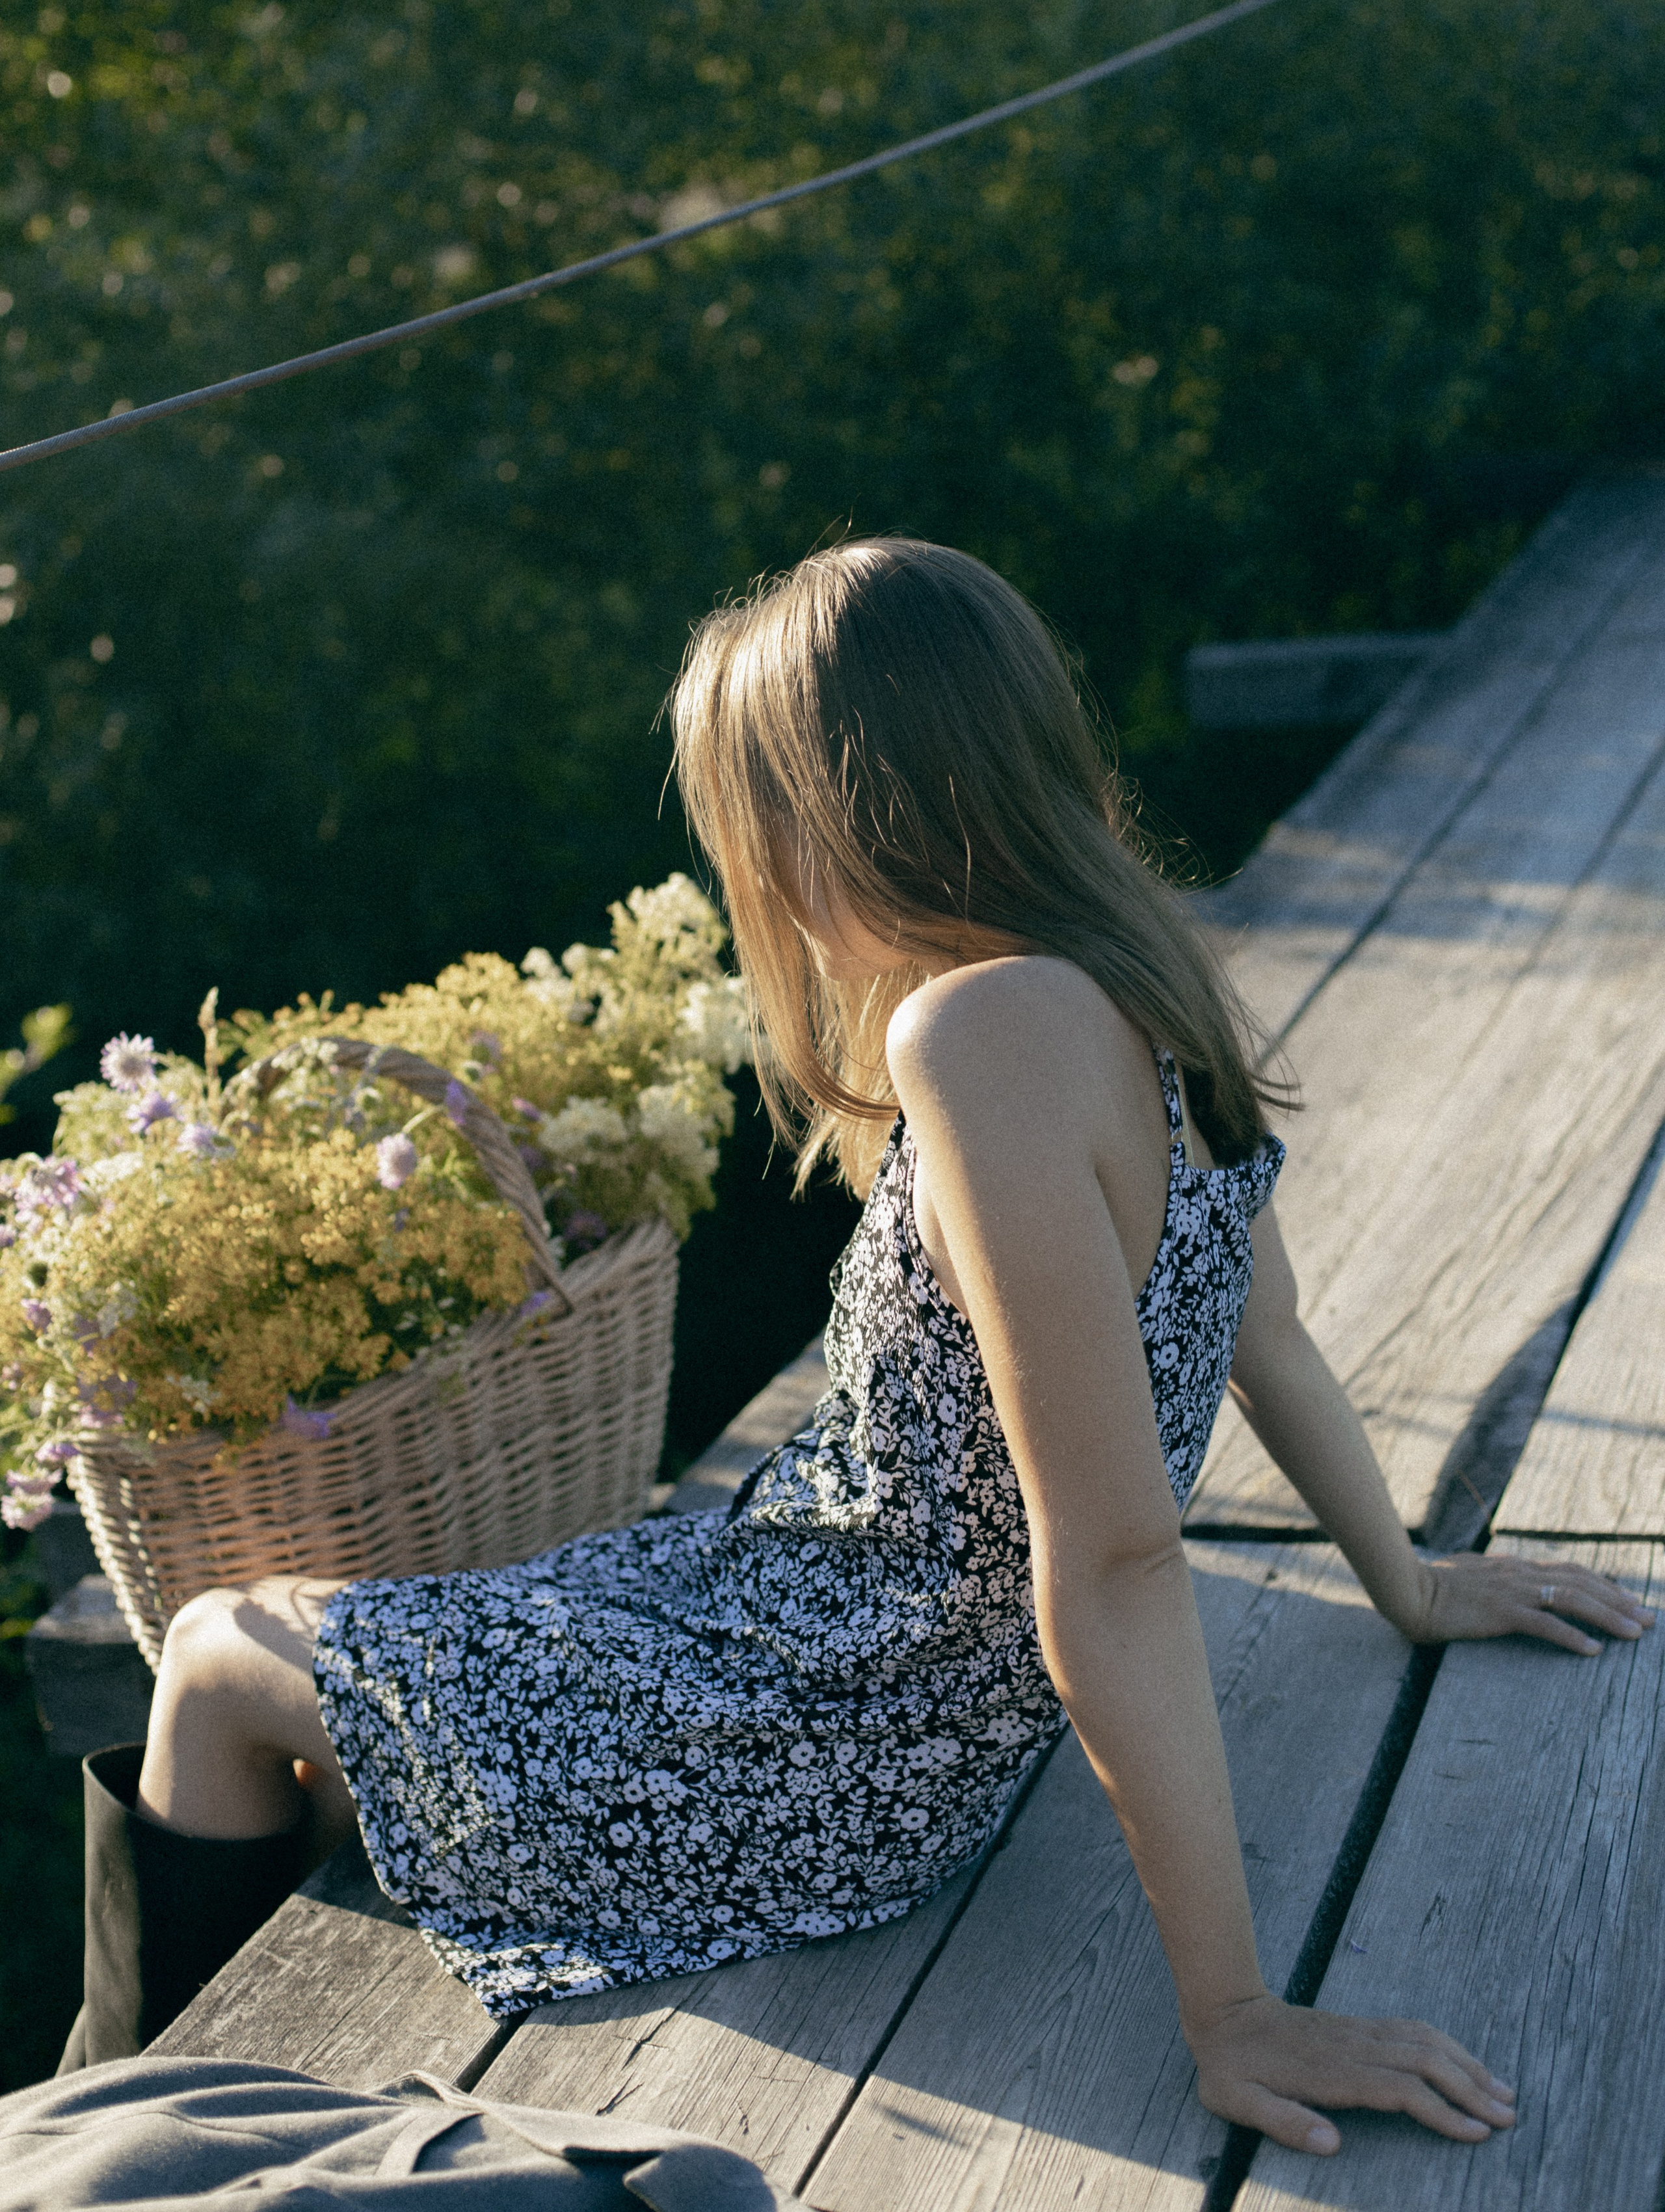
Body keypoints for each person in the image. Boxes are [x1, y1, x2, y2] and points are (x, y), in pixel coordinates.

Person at [68, 539, 1653, 2154]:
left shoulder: (975, 1032)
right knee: (313, 1658)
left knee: (208, 1650)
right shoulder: (1141, 978)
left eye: (750, 833)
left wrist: (1232, 2012)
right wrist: (1409, 1578)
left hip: (823, 1729)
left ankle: (104, 2134)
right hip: (827, 1660)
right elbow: (1273, 1337)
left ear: (830, 819)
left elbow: (1111, 1558)